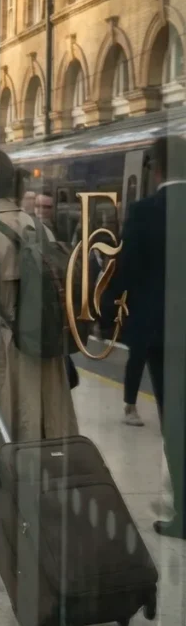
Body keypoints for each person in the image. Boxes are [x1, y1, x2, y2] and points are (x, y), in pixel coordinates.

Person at [115, 136, 186, 538]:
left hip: (162, 334)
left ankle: (184, 513)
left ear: (155, 169)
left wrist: (105, 310)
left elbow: (126, 271)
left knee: (175, 422)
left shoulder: (144, 212)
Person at [0, 150, 78, 445]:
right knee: (50, 422)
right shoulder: (39, 227)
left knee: (15, 420)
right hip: (46, 342)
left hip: (8, 344)